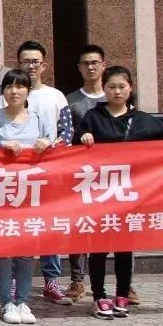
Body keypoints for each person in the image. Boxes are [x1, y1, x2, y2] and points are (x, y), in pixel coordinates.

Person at [78, 65, 163, 319]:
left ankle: (122, 294)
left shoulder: (142, 120)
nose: (117, 91)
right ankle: (98, 296)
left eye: (122, 86)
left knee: (124, 248)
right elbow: (76, 139)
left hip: (130, 196)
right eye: (111, 87)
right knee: (98, 248)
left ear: (130, 88)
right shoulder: (93, 118)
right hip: (101, 194)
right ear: (104, 89)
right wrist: (83, 135)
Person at [0, 69, 55, 325]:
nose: (14, 91)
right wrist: (0, 146)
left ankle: (23, 301)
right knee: (3, 251)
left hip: (31, 193)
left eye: (20, 86)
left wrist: (47, 144)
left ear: (28, 91)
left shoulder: (40, 119)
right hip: (2, 193)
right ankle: (6, 302)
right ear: (3, 91)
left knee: (26, 250)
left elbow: (57, 149)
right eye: (9, 86)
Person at [12, 40, 79, 306]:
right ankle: (15, 280)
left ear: (44, 65)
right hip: (16, 173)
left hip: (50, 170)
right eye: (25, 61)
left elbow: (67, 132)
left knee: (49, 225)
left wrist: (50, 145)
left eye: (35, 62)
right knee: (17, 227)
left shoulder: (56, 96)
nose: (30, 66)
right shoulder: (9, 93)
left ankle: (51, 281)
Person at [63, 43, 110, 302]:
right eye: (85, 63)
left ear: (103, 65)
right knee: (80, 225)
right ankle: (77, 279)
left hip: (113, 173)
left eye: (95, 63)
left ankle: (125, 283)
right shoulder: (70, 100)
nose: (90, 67)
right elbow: (66, 134)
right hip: (81, 173)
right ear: (79, 68)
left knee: (116, 225)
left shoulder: (115, 95)